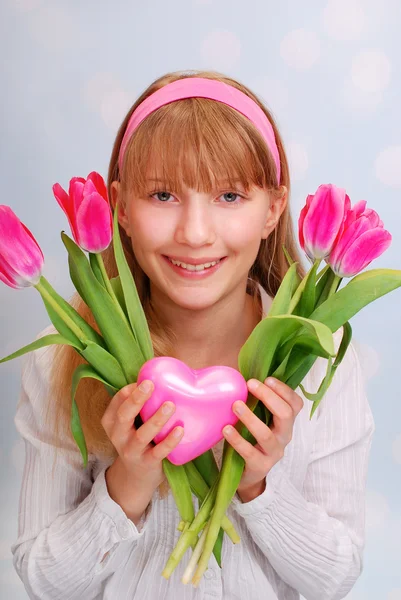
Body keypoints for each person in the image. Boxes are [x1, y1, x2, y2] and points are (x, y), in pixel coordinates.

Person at [11, 70, 375, 600]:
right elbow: (43, 581)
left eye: (229, 195)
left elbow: (336, 577)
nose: (195, 233)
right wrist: (127, 486)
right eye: (162, 195)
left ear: (273, 209)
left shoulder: (321, 359)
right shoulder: (63, 359)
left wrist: (257, 486)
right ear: (120, 209)